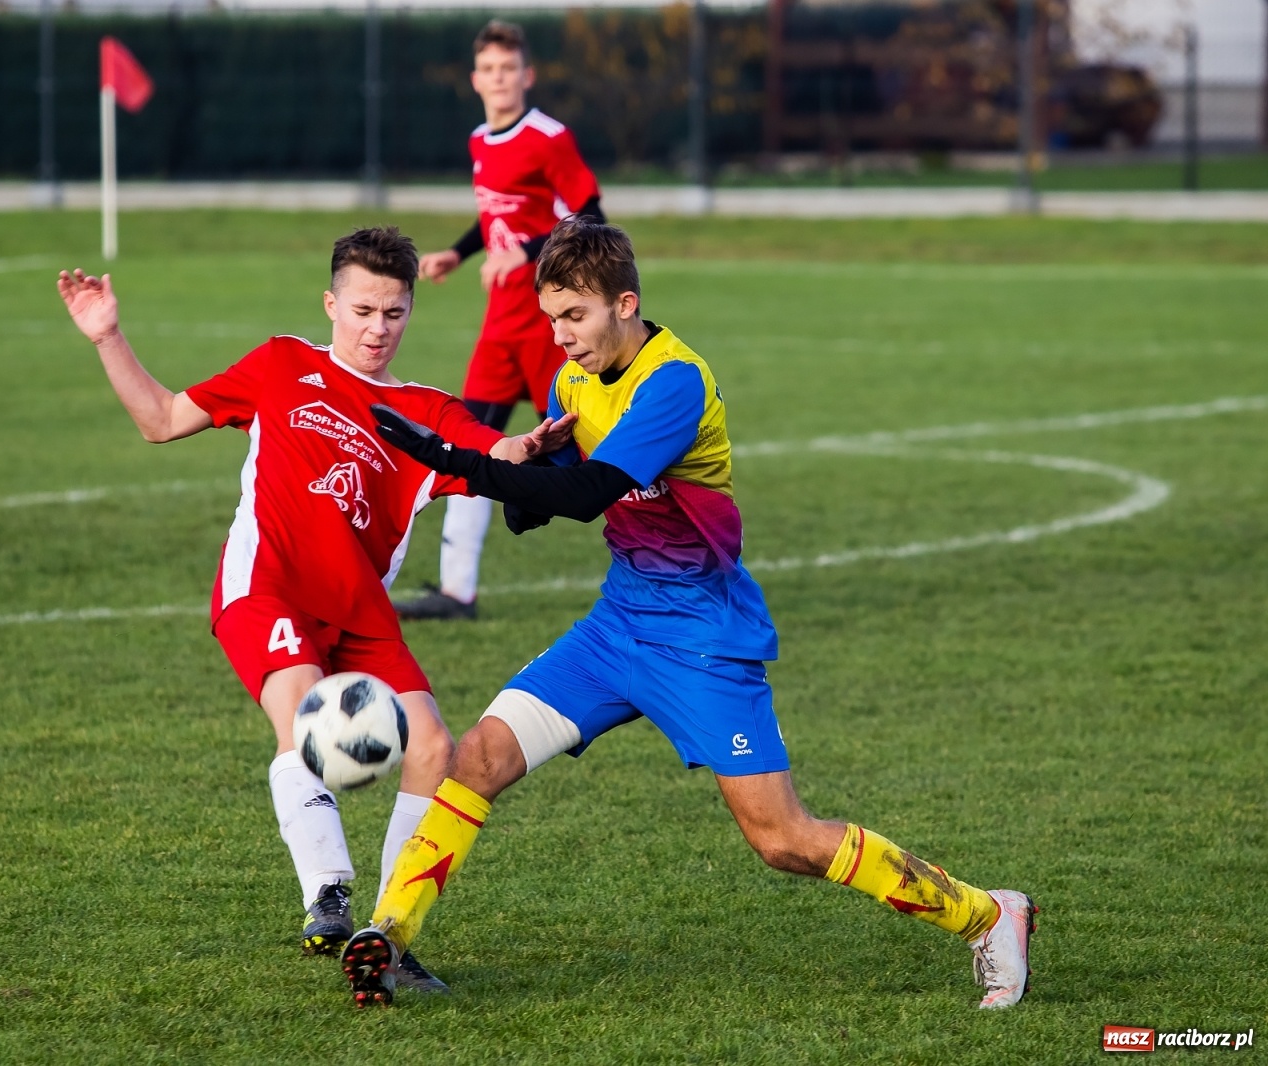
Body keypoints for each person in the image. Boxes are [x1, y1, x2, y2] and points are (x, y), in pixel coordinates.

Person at [340, 220, 1039, 1010]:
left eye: (575, 318)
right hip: (617, 627)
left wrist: (457, 460)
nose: (561, 339)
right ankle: (389, 939)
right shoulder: (574, 383)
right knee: (479, 758)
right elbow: (542, 504)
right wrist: (522, 461)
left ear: (625, 304)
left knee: (782, 840)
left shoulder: (673, 382)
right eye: (552, 320)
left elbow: (587, 497)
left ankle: (988, 916)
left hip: (702, 636)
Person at [56, 226, 573, 995]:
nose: (376, 328)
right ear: (331, 304)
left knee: (433, 745)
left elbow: (485, 452)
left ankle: (389, 931)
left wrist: (523, 449)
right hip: (268, 587)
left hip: (361, 613)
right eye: (363, 309)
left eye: (394, 313)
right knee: (301, 712)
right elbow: (160, 420)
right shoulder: (282, 364)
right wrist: (108, 337)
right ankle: (327, 892)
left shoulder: (425, 411)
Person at [394, 18, 605, 622]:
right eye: (488, 69)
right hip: (498, 327)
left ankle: (664, 565)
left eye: (508, 69)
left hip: (546, 324)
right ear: (475, 78)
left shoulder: (549, 137)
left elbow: (590, 214)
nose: (499, 79)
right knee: (468, 446)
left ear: (527, 75)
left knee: (583, 456)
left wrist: (525, 253)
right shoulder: (480, 141)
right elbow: (493, 219)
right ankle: (457, 591)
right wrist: (459, 254)